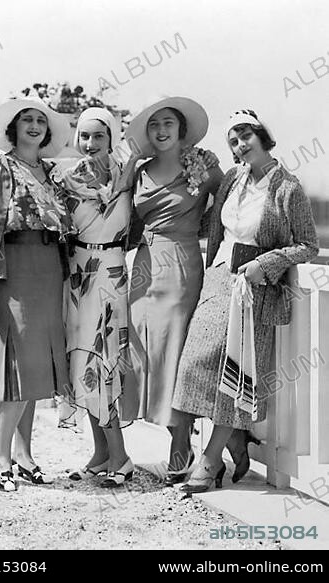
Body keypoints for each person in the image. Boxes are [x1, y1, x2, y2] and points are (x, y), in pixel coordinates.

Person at [173, 109, 319, 493]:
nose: (240, 145)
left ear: (263, 136)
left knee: (234, 373)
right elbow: (215, 227)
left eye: (246, 136)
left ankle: (209, 460)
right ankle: (235, 438)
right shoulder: (234, 180)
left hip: (255, 289)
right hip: (219, 279)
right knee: (194, 366)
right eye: (233, 140)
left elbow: (308, 245)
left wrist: (265, 263)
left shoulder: (288, 187)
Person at [0, 96, 72, 491]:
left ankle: (24, 454)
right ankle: (0, 455)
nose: (34, 126)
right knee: (17, 366)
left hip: (49, 270)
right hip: (13, 269)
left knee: (36, 370)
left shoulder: (51, 172)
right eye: (26, 119)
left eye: (40, 121)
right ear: (13, 128)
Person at [120, 96, 224, 485]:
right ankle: (167, 431)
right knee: (143, 351)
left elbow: (229, 206)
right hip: (145, 266)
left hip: (182, 266)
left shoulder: (203, 167)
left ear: (182, 130)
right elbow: (119, 215)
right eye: (154, 126)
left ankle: (180, 441)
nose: (161, 131)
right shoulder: (141, 171)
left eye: (168, 124)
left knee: (176, 351)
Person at [53, 107, 135, 488]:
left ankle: (121, 455)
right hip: (78, 273)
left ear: (111, 138)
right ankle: (102, 454)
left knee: (106, 359)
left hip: (113, 270)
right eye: (83, 136)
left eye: (98, 136)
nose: (89, 144)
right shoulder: (66, 180)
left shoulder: (130, 176)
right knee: (81, 358)